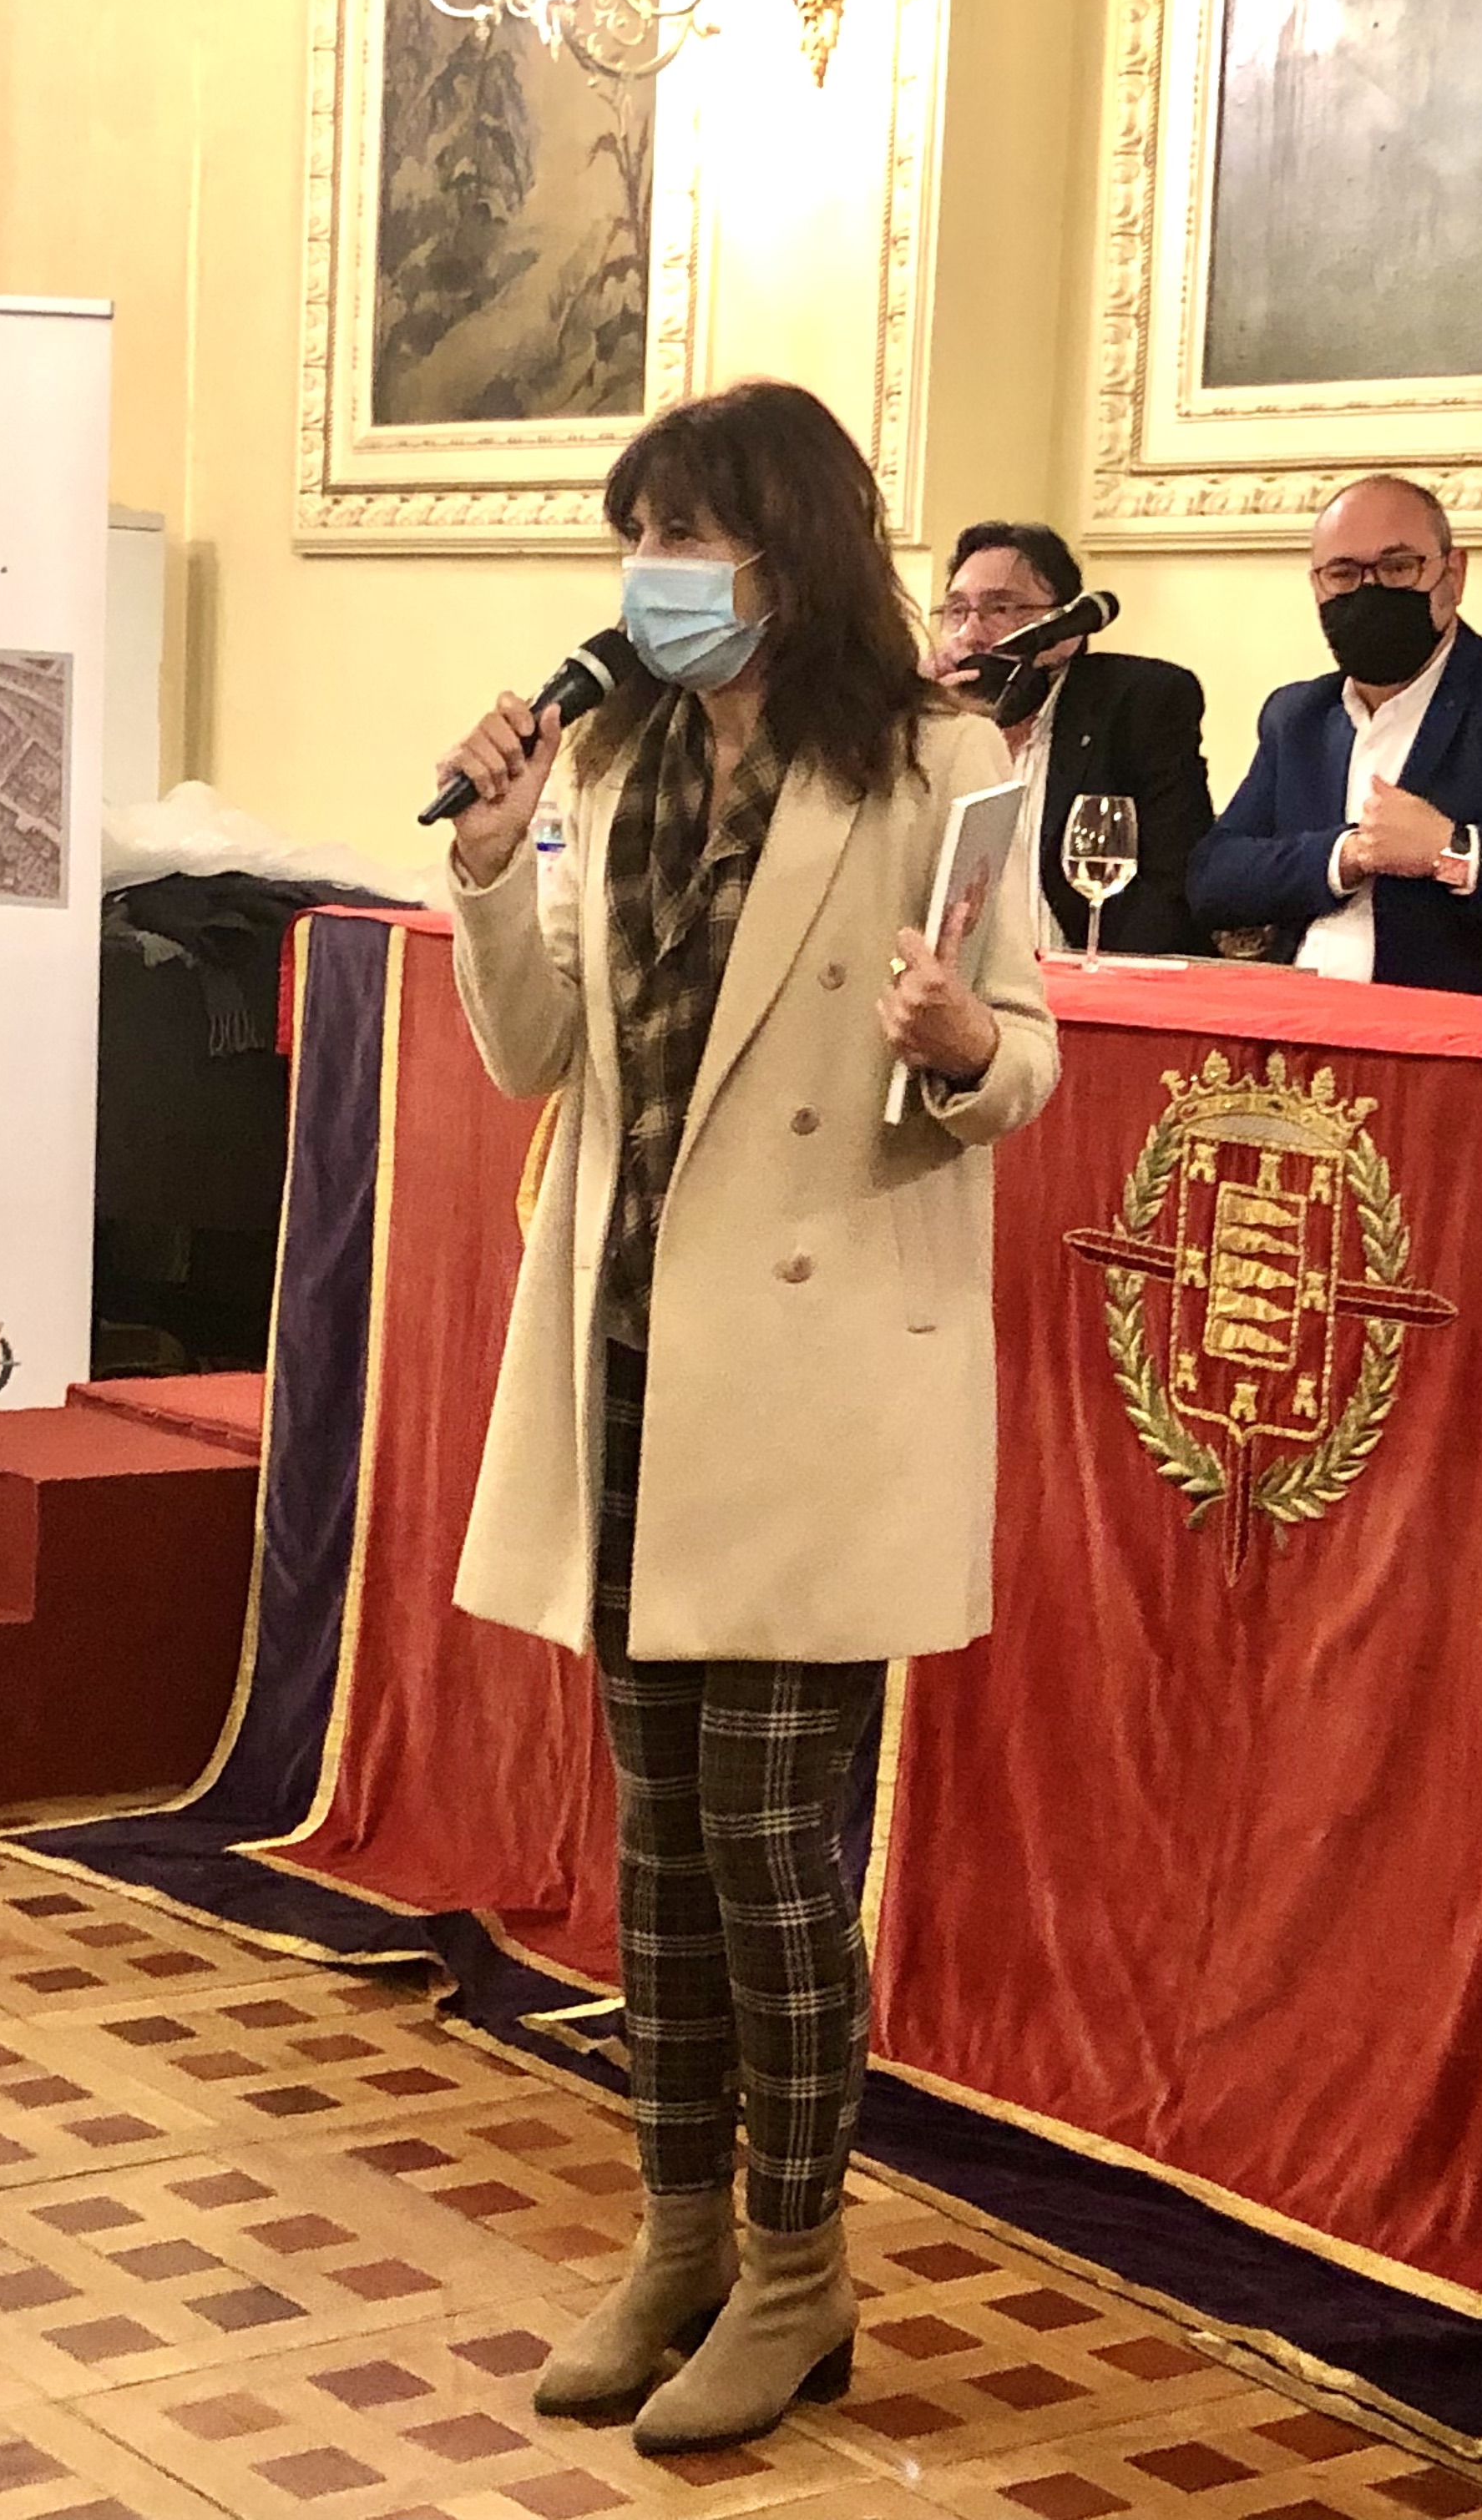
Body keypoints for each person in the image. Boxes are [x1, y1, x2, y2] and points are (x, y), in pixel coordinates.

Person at [431, 380, 1055, 2457]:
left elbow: (1025, 1050)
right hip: (628, 1359)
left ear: (787, 552)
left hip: (810, 1378)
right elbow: (540, 1056)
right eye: (638, 540)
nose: (652, 578)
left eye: (684, 537)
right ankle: (675, 2238)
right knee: (663, 1854)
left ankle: (799, 2271)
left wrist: (959, 1045)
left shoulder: (931, 761)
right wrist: (491, 865)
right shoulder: (611, 760)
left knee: (775, 1856)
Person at [1186, 472, 1482, 989]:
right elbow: (1213, 877)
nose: (1369, 590)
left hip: (1456, 1018)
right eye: (1343, 574)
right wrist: (1347, 854)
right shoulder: (1299, 715)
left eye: (1398, 567)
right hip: (1293, 1010)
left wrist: (1452, 852)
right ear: (1317, 586)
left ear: (1453, 575)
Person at [925, 520, 1214, 956]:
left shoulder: (1140, 704)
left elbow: (1172, 887)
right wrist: (913, 724)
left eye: (1000, 609)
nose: (969, 634)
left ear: (1068, 629)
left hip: (1094, 977)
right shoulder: (928, 727)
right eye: (956, 611)